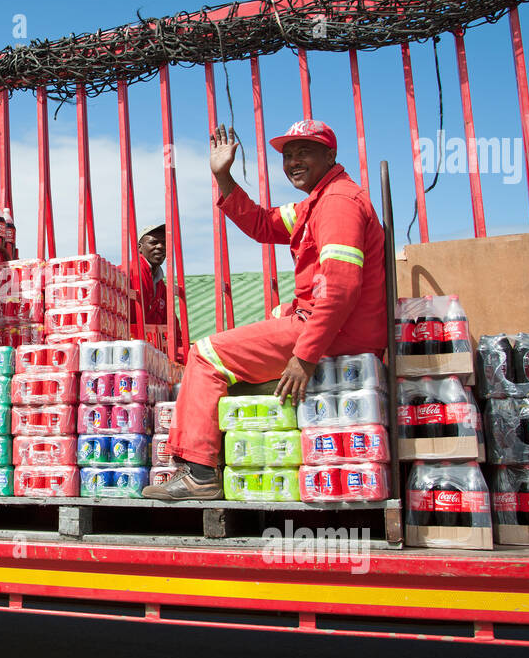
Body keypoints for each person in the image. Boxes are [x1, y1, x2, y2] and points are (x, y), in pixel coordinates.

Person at [144, 119, 387, 501]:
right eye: (288, 155)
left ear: (331, 155)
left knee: (205, 355)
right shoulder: (316, 203)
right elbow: (261, 223)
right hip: (330, 323)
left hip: (337, 330)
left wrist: (304, 357)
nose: (293, 161)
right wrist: (224, 178)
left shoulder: (338, 204)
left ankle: (200, 473)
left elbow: (340, 290)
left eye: (303, 151)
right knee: (274, 315)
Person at [133, 224, 168, 326]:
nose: (160, 246)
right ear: (139, 248)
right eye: (154, 242)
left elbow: (170, 323)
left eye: (164, 243)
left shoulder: (161, 286)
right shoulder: (127, 273)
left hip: (150, 341)